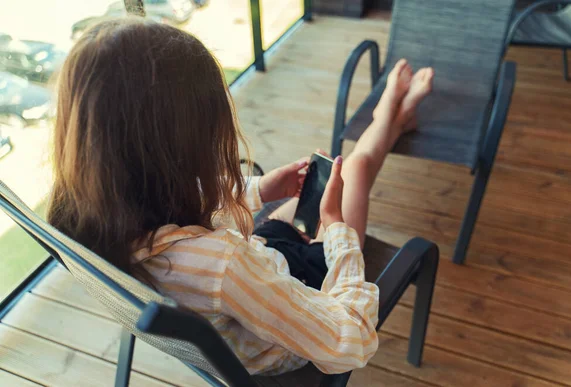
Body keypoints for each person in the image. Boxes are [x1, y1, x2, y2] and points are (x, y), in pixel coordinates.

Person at [47, 19, 433, 376]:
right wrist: (336, 230)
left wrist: (262, 190)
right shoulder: (221, 264)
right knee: (356, 169)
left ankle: (397, 121)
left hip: (259, 271)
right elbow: (349, 342)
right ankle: (388, 117)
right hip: (293, 316)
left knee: (322, 188)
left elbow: (195, 223)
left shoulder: (92, 218)